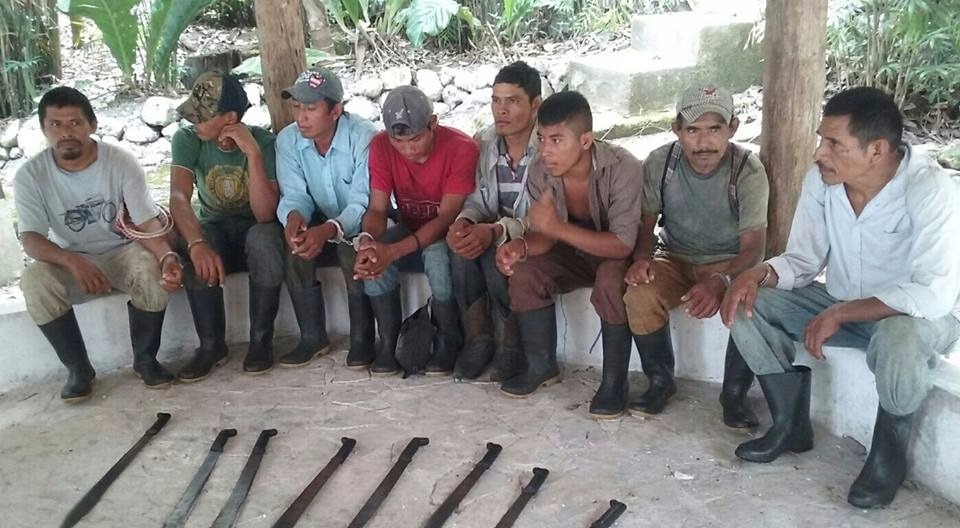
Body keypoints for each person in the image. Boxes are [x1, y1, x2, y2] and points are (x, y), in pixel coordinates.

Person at [719, 87, 960, 508]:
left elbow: (933, 293)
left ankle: (888, 456)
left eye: (833, 144)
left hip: (918, 318)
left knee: (900, 339)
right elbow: (804, 258)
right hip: (839, 301)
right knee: (747, 304)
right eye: (820, 139)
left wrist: (843, 312)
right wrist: (757, 274)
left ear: (877, 150)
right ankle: (789, 424)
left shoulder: (930, 188)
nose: (819, 153)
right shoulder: (824, 181)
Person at [14, 86, 182, 401]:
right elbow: (31, 238)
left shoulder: (120, 162)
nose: (66, 132)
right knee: (34, 281)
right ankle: (78, 369)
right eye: (56, 124)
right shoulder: (30, 176)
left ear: (92, 125)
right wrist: (71, 260)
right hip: (71, 257)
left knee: (149, 268)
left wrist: (168, 257)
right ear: (43, 129)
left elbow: (146, 221)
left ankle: (146, 360)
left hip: (122, 251)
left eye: (75, 123)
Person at [622, 85, 768, 427]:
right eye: (693, 130)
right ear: (677, 130)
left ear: (733, 128)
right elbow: (645, 226)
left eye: (715, 129)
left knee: (750, 303)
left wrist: (722, 280)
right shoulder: (661, 162)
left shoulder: (747, 170)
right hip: (674, 256)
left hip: (730, 260)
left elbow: (754, 247)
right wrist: (641, 259)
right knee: (639, 295)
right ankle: (660, 381)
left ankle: (734, 395)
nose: (704, 142)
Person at [496, 91, 643, 419]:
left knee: (609, 279)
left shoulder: (622, 168)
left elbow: (622, 245)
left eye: (557, 140)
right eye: (542, 138)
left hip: (614, 257)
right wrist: (520, 247)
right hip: (571, 255)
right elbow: (545, 236)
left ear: (586, 140)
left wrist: (556, 228)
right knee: (525, 273)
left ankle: (614, 382)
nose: (546, 150)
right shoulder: (539, 172)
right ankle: (541, 366)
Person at [354, 85, 479, 376]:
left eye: (416, 138)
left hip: (448, 232)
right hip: (409, 226)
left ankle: (449, 338)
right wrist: (368, 242)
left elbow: (448, 216)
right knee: (374, 256)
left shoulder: (461, 147)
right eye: (399, 141)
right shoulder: (381, 146)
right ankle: (388, 341)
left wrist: (393, 250)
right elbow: (377, 209)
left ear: (433, 124)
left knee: (435, 255)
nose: (408, 149)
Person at [170, 71, 281, 379]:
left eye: (202, 115)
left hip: (254, 230)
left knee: (265, 238)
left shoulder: (264, 142)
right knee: (194, 240)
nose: (194, 121)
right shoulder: (187, 139)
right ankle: (210, 346)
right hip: (215, 229)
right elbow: (179, 197)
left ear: (230, 117)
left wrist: (253, 155)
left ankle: (261, 341)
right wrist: (196, 244)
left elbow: (265, 215)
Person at [271, 69, 378, 368]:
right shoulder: (288, 141)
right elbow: (295, 195)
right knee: (294, 244)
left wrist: (328, 230)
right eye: (296, 107)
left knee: (350, 249)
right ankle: (312, 336)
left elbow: (363, 202)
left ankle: (363, 338)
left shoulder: (364, 137)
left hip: (365, 221)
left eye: (310, 108)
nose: (301, 117)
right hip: (320, 215)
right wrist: (293, 219)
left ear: (335, 111)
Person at [446, 61, 542, 381]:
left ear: (535, 105)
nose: (501, 110)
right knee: (460, 250)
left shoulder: (549, 145)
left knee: (496, 260)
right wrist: (464, 221)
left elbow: (547, 215)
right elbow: (475, 198)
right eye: (496, 100)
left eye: (512, 101)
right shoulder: (484, 142)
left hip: (537, 237)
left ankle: (513, 345)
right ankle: (479, 340)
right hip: (494, 229)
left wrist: (498, 230)